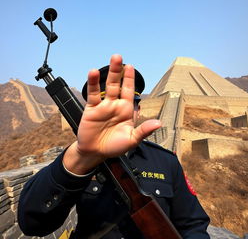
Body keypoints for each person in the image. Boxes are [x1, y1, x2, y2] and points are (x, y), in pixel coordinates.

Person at [18, 54, 210, 238]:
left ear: (138, 110)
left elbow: (193, 225)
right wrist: (81, 157)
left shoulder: (166, 162)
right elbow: (32, 223)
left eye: (128, 104)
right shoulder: (77, 162)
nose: (119, 113)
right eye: (109, 105)